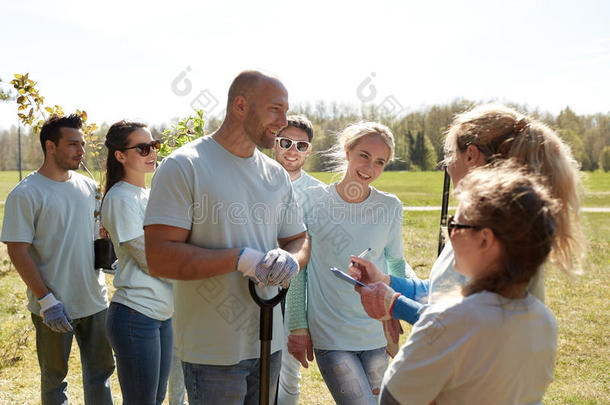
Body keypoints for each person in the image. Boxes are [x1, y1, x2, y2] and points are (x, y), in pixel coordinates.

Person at [143, 70, 310, 405]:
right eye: (275, 109)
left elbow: (299, 238)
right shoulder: (184, 166)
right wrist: (239, 259)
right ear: (240, 105)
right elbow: (160, 257)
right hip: (212, 352)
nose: (284, 120)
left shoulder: (275, 174)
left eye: (286, 110)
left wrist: (291, 258)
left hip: (269, 342)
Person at [351, 104, 584, 325]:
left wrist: (394, 304)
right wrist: (385, 281)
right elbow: (441, 291)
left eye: (450, 154)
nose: (447, 166)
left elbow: (460, 326)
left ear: (471, 155)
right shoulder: (481, 223)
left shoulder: (484, 234)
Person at [379, 162, 564, 404]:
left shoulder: (448, 320)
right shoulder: (544, 321)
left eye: (456, 225)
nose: (450, 234)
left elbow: (392, 399)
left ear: (485, 240)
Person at [286, 122, 418, 405]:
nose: (370, 168)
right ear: (348, 151)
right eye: (364, 156)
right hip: (331, 335)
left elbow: (396, 263)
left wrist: (397, 308)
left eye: (380, 162)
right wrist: (297, 326)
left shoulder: (390, 206)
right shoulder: (312, 201)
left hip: (377, 333)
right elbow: (300, 270)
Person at [1, 114, 114, 404]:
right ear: (50, 146)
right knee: (54, 380)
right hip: (53, 306)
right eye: (73, 144)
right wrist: (46, 300)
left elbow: (95, 236)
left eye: (83, 144)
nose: (81, 150)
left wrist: (110, 259)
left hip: (94, 301)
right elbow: (17, 250)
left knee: (101, 373)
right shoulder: (25, 194)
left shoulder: (89, 188)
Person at [101, 121, 174, 405]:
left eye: (153, 146)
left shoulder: (146, 194)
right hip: (136, 316)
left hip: (163, 314)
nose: (152, 153)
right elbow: (151, 260)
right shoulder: (120, 198)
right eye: (143, 148)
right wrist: (199, 271)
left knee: (155, 399)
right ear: (120, 155)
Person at [272, 114, 323, 405]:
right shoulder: (256, 181)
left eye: (301, 145)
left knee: (289, 372)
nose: (293, 150)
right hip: (254, 288)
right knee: (256, 368)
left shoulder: (318, 193)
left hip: (296, 293)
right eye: (286, 142)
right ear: (275, 143)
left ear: (309, 150)